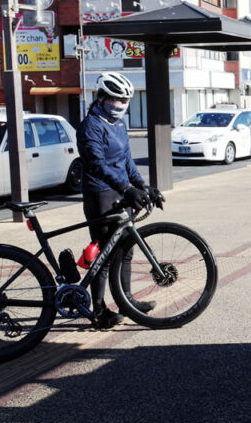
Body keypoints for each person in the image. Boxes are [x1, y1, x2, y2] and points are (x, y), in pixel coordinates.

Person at [77, 72, 163, 329]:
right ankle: (99, 311)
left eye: (125, 99)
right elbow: (97, 164)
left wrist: (143, 186)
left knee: (125, 251)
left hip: (120, 191)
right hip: (100, 193)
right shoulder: (91, 125)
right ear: (101, 98)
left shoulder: (118, 125)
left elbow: (126, 160)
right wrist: (126, 188)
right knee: (103, 254)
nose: (121, 104)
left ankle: (127, 301)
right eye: (116, 98)